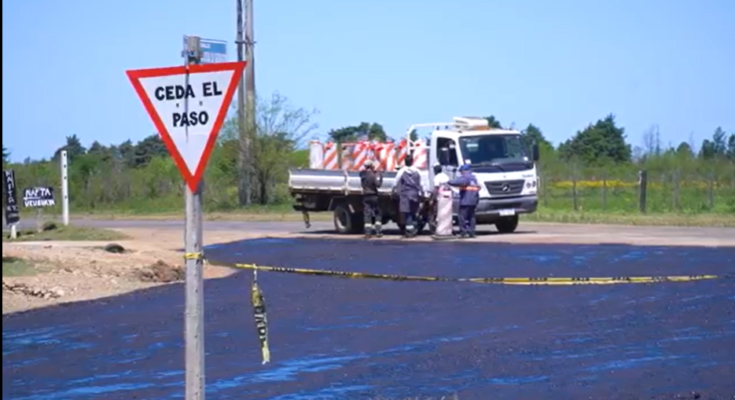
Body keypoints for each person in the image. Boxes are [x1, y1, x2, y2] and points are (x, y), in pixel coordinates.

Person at [393, 154, 423, 238]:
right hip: (414, 195)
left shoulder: (402, 171)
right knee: (413, 212)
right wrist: (423, 193)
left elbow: (396, 182)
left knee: (407, 213)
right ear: (412, 161)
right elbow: (422, 183)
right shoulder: (417, 171)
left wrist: (394, 189)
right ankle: (413, 230)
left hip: (405, 195)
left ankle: (409, 232)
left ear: (405, 162)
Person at [448, 163, 480, 238]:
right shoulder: (474, 178)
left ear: (464, 171)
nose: (461, 173)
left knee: (462, 217)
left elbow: (456, 182)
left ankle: (464, 232)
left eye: (461, 171)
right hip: (473, 201)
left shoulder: (465, 178)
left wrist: (448, 181)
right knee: (471, 217)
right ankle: (472, 232)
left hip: (465, 201)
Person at [359, 159, 383, 238]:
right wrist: (380, 176)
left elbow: (361, 173)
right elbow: (378, 185)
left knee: (367, 214)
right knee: (377, 213)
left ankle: (368, 233)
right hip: (373, 195)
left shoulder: (362, 175)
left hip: (365, 196)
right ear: (371, 166)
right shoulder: (373, 175)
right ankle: (378, 231)